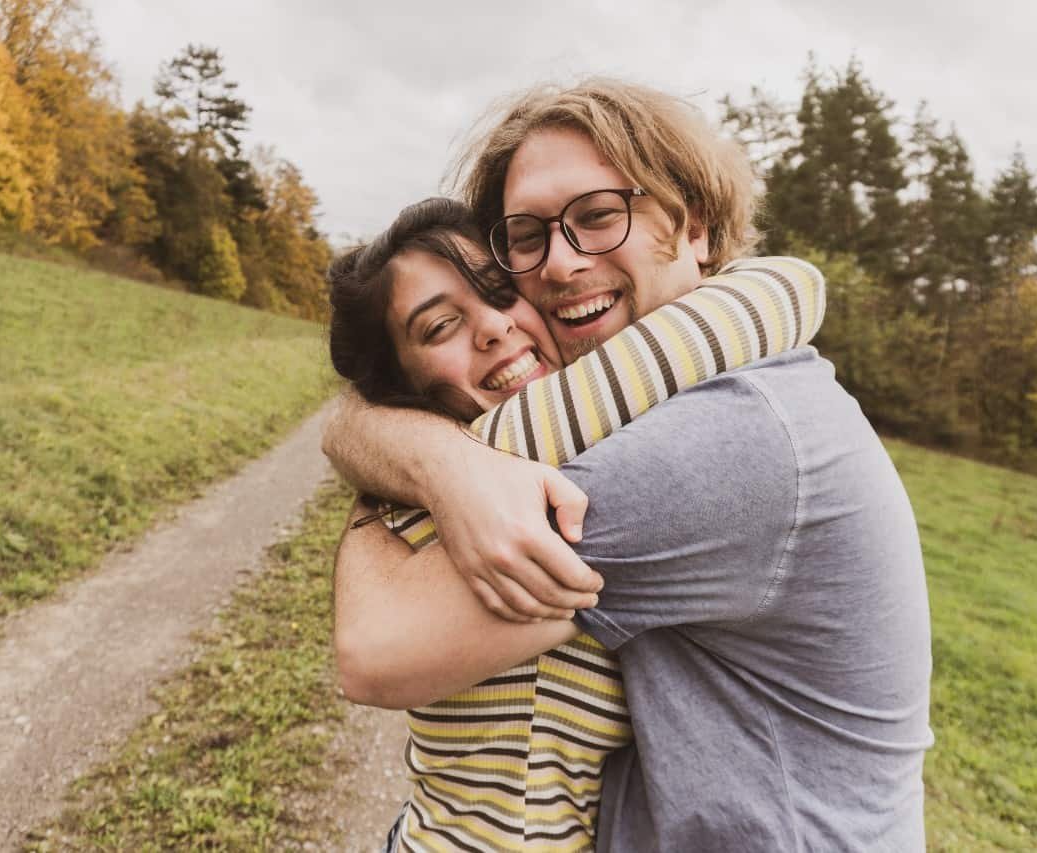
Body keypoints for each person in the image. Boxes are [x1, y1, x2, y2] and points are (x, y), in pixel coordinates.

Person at [326, 78, 933, 851]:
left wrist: (409, 453)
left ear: (696, 229)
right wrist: (415, 451)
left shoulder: (727, 439)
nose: (562, 263)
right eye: (528, 235)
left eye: (600, 215)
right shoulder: (658, 400)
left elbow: (379, 646)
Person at [328, 198, 823, 850]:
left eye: (500, 291)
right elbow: (787, 291)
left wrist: (373, 436)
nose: (494, 328)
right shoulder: (537, 472)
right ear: (403, 382)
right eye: (442, 325)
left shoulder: (444, 471)